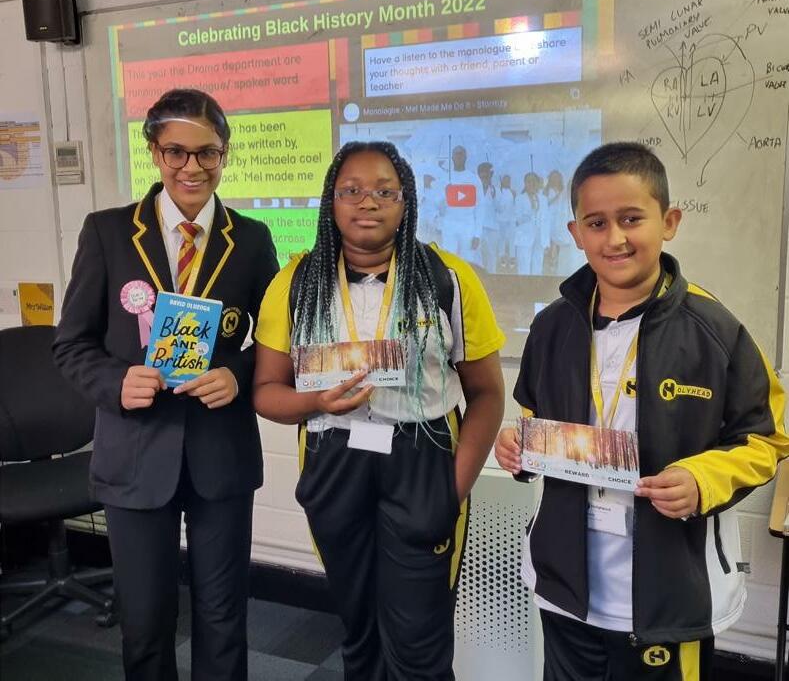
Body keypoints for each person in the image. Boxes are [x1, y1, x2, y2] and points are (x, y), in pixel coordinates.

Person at [495, 141, 788, 681]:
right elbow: (532, 416)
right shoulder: (552, 326)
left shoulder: (715, 331)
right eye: (597, 223)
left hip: (669, 596)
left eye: (631, 219)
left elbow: (766, 438)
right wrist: (517, 445)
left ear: (669, 222)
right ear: (576, 233)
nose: (615, 238)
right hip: (565, 588)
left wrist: (701, 478)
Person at [253, 141, 505, 680]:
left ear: (406, 201)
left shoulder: (449, 277)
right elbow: (266, 392)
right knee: (359, 628)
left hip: (423, 460)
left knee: (418, 640)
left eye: (385, 192)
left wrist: (452, 488)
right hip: (333, 457)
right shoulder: (295, 282)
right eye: (352, 190)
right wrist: (315, 400)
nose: (368, 202)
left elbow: (486, 393)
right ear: (331, 201)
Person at [53, 88, 279, 681]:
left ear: (225, 154)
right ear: (154, 152)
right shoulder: (107, 233)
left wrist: (237, 373)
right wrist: (114, 381)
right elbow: (70, 344)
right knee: (145, 621)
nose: (192, 167)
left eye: (208, 153)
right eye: (176, 152)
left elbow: (278, 344)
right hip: (134, 452)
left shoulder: (251, 238)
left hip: (220, 454)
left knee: (223, 616)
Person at [513, 171, 550, 275]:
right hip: (524, 237)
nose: (531, 184)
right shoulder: (519, 199)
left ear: (537, 183)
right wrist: (531, 210)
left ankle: (536, 285)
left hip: (539, 238)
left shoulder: (543, 199)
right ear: (525, 183)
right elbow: (517, 219)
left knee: (538, 266)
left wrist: (546, 242)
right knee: (523, 267)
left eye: (534, 181)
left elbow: (546, 221)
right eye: (529, 181)